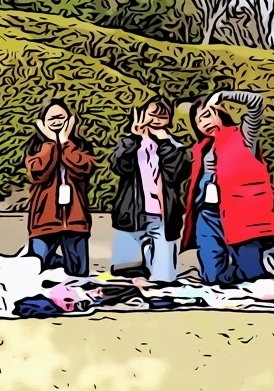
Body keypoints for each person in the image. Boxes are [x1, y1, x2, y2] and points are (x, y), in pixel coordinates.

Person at [180, 90, 274, 285]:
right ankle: (227, 277)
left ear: (221, 112)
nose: (204, 122)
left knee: (252, 275)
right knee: (211, 277)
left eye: (208, 115)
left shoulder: (244, 135)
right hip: (207, 214)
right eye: (199, 120)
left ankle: (258, 268)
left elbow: (256, 102)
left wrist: (221, 95)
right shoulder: (200, 148)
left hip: (241, 213)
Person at [110, 96, 190, 282]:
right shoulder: (129, 142)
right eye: (152, 114)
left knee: (164, 278)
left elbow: (177, 173)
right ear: (141, 114)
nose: (156, 120)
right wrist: (134, 139)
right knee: (122, 272)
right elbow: (118, 167)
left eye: (163, 116)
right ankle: (145, 260)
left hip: (163, 216)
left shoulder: (174, 145)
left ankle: (151, 262)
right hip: (131, 213)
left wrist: (165, 144)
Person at [23, 99, 96, 277]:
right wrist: (51, 144)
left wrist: (64, 142)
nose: (56, 121)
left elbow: (84, 169)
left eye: (61, 117)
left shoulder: (80, 146)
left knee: (78, 275)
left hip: (76, 221)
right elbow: (38, 172)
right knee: (36, 270)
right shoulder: (35, 147)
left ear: (70, 120)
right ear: (42, 123)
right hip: (44, 221)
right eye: (51, 118)